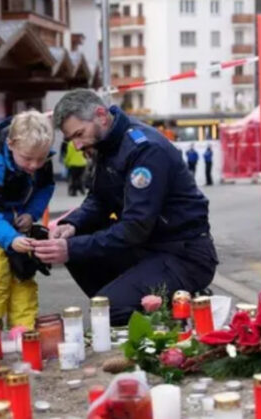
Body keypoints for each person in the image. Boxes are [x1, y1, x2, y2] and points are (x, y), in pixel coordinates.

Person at [33, 89, 218, 326]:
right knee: (78, 244)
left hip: (183, 254)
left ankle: (181, 308)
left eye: (79, 134)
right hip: (148, 247)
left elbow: (135, 228)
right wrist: (70, 225)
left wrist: (71, 247)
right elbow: (98, 199)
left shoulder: (144, 149)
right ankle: (131, 300)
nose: (77, 146)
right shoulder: (106, 145)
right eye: (72, 140)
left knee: (108, 308)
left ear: (101, 115)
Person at [0, 110, 55, 328]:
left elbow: (45, 187)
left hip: (14, 215)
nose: (34, 165)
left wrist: (31, 214)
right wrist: (10, 239)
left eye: (40, 159)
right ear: (11, 144)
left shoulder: (41, 156)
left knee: (22, 272)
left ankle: (23, 330)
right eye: (28, 159)